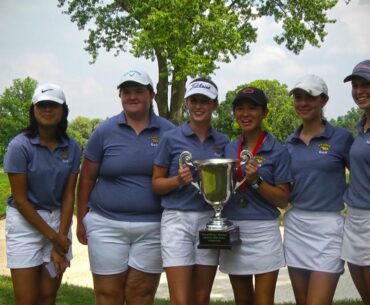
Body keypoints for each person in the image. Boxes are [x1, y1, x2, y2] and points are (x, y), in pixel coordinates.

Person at [76, 69, 174, 305]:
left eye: (139, 91)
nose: (132, 96)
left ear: (151, 94)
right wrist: (81, 219)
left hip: (153, 226)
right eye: (126, 92)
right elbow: (87, 177)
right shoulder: (104, 131)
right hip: (105, 224)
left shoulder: (169, 131)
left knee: (140, 295)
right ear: (120, 96)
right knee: (108, 295)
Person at [152, 77, 229, 305]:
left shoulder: (223, 142)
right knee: (181, 299)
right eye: (194, 100)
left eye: (204, 101)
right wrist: (177, 180)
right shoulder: (171, 138)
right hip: (176, 220)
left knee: (201, 297)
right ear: (186, 103)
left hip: (210, 220)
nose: (198, 106)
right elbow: (156, 183)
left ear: (215, 105)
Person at [3, 83, 80, 305]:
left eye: (53, 105)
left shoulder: (72, 147)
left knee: (47, 297)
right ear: (34, 110)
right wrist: (56, 239)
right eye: (42, 105)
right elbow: (20, 199)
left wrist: (61, 238)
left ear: (63, 110)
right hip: (25, 223)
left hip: (58, 221)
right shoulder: (20, 146)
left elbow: (68, 196)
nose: (47, 109)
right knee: (26, 300)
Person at [218, 87, 292, 305]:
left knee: (263, 301)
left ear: (264, 113)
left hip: (264, 232)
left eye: (252, 108)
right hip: (233, 229)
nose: (246, 114)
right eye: (240, 108)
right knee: (242, 300)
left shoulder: (277, 150)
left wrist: (257, 181)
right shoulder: (229, 149)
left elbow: (282, 199)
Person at [284, 74, 354, 305]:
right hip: (296, 227)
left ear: (323, 100)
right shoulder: (289, 143)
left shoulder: (342, 138)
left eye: (309, 97)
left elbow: (362, 175)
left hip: (329, 228)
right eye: (298, 97)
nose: (302, 103)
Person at [341, 59, 370, 305]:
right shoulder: (361, 127)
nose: (359, 91)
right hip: (355, 218)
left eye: (366, 85)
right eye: (356, 86)